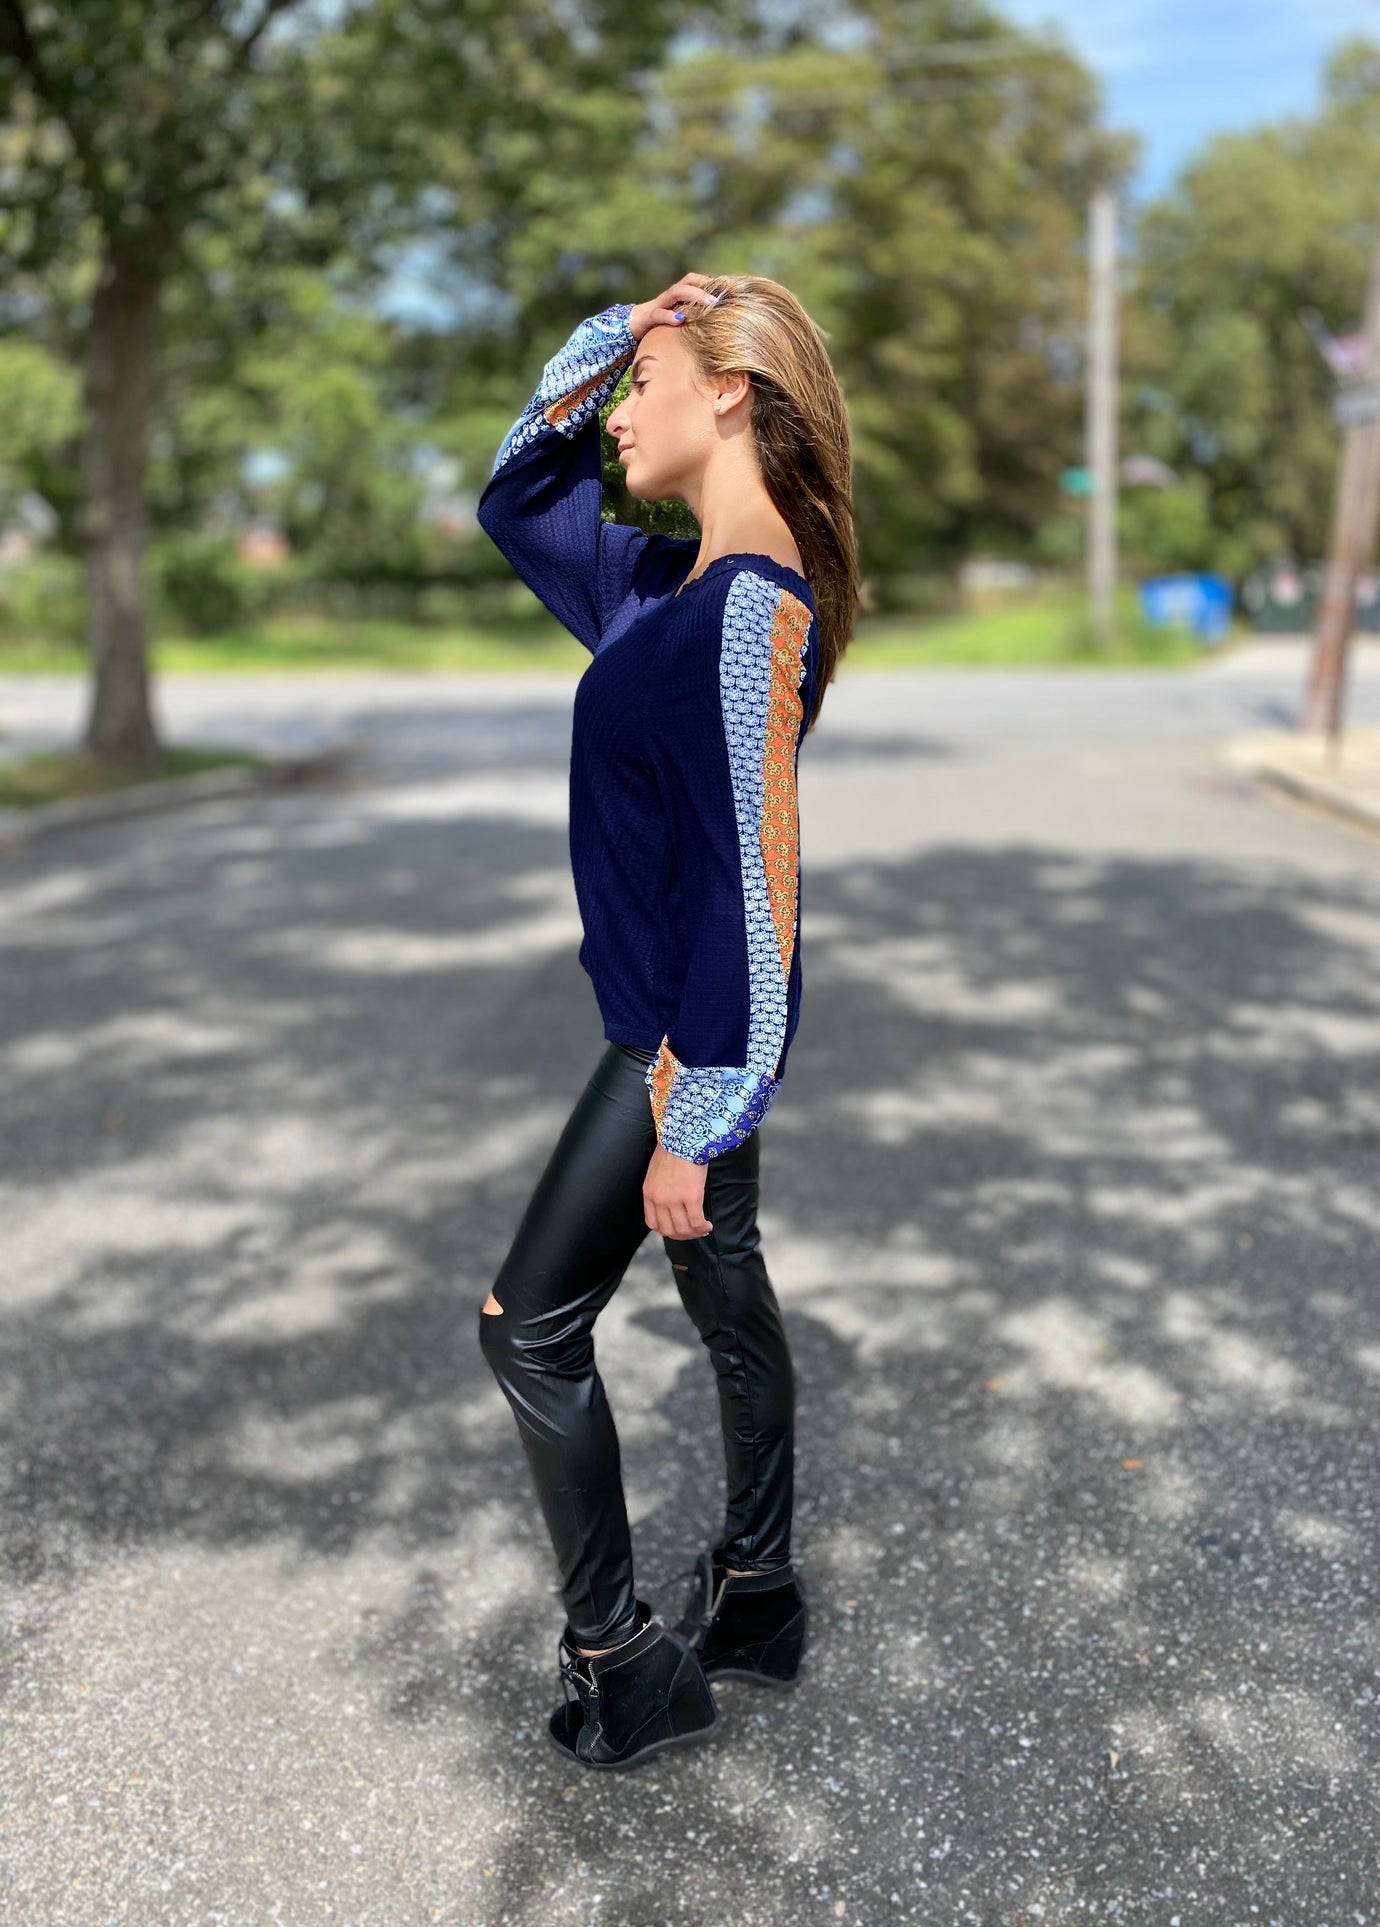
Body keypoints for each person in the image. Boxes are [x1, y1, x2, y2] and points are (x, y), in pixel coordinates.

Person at [474, 271, 859, 1770]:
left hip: (678, 1047)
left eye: (643, 385)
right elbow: (518, 496)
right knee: (719, 1283)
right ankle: (757, 1594)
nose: (617, 414)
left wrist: (695, 1116)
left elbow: (755, 904)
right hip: (686, 1041)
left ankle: (622, 1660)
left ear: (730, 394)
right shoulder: (659, 592)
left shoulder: (748, 616)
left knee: (527, 1329)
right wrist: (612, 331)